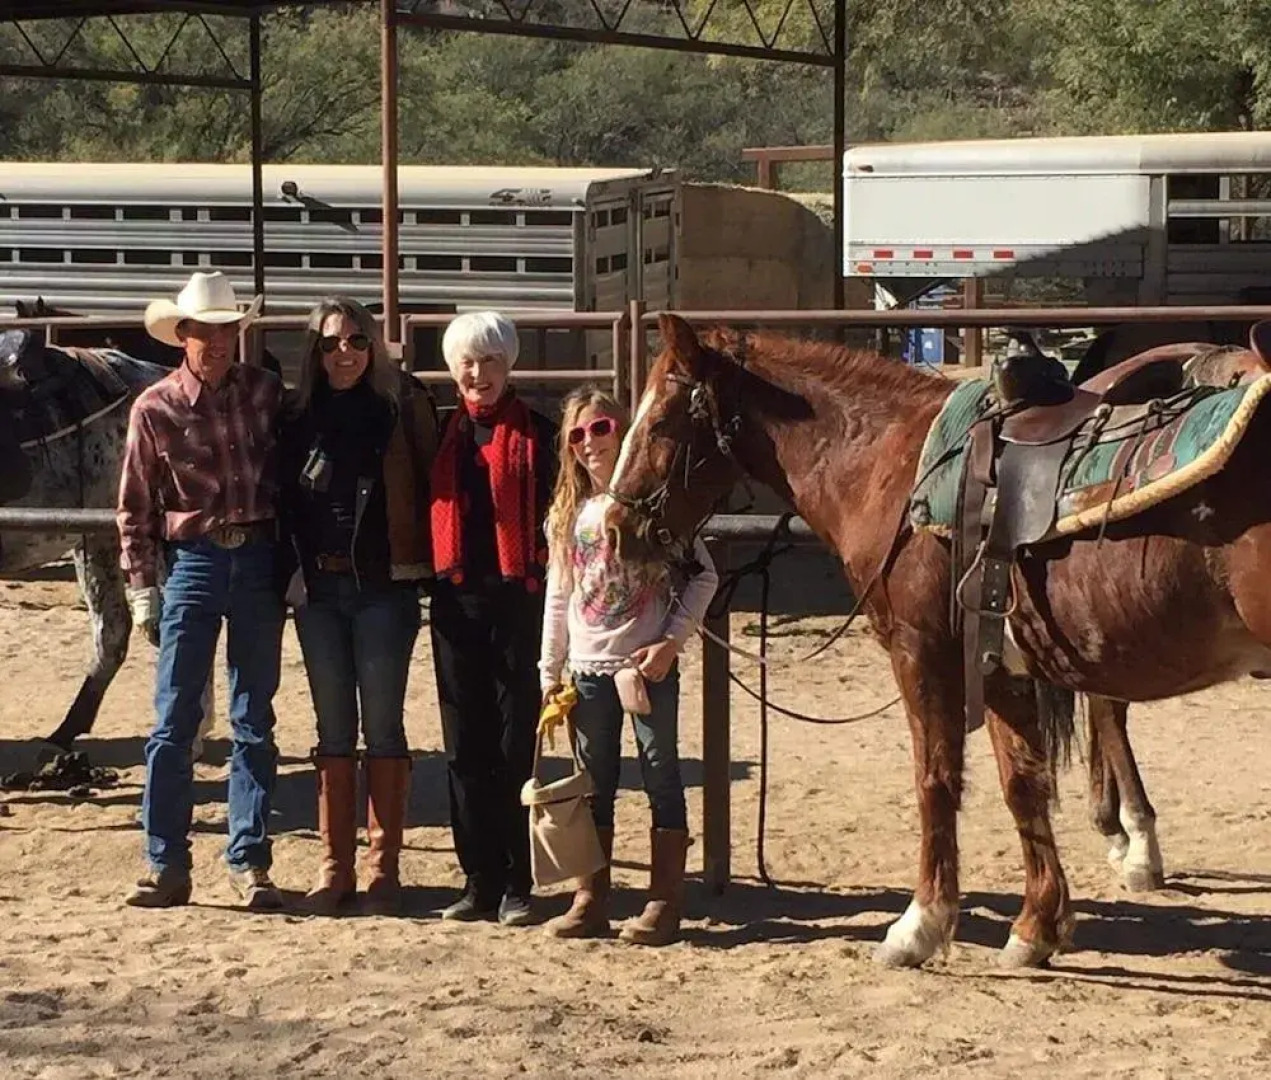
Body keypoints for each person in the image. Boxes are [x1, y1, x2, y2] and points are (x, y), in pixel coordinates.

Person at [117, 270, 286, 910]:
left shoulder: (266, 393)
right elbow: (134, 507)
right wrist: (142, 585)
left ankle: (247, 859)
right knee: (174, 718)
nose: (216, 344)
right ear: (183, 335)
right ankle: (166, 860)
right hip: (194, 560)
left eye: (225, 332)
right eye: (205, 333)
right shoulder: (154, 408)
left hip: (257, 557)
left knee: (252, 717)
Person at [538, 386, 718, 946]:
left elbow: (702, 576)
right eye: (577, 435)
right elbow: (559, 594)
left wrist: (669, 643)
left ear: (623, 430)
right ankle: (591, 895)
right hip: (589, 668)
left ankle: (665, 898)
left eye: (600, 429)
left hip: (645, 668)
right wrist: (550, 669)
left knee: (662, 772)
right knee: (595, 782)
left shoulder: (655, 507)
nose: (589, 443)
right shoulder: (569, 515)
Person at [277, 297, 439, 916]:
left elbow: (433, 483)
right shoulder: (296, 418)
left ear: (372, 346)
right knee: (332, 730)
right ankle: (333, 865)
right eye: (329, 343)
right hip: (318, 590)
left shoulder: (402, 408)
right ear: (313, 353)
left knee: (385, 725)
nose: (343, 352)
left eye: (354, 341)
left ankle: (383, 867)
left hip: (384, 586)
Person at [430, 311, 558, 926]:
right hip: (456, 600)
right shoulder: (439, 434)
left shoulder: (542, 434)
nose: (478, 373)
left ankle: (518, 878)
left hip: (520, 599)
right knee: (464, 744)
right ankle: (476, 876)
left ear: (509, 366)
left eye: (489, 361)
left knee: (513, 742)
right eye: (467, 362)